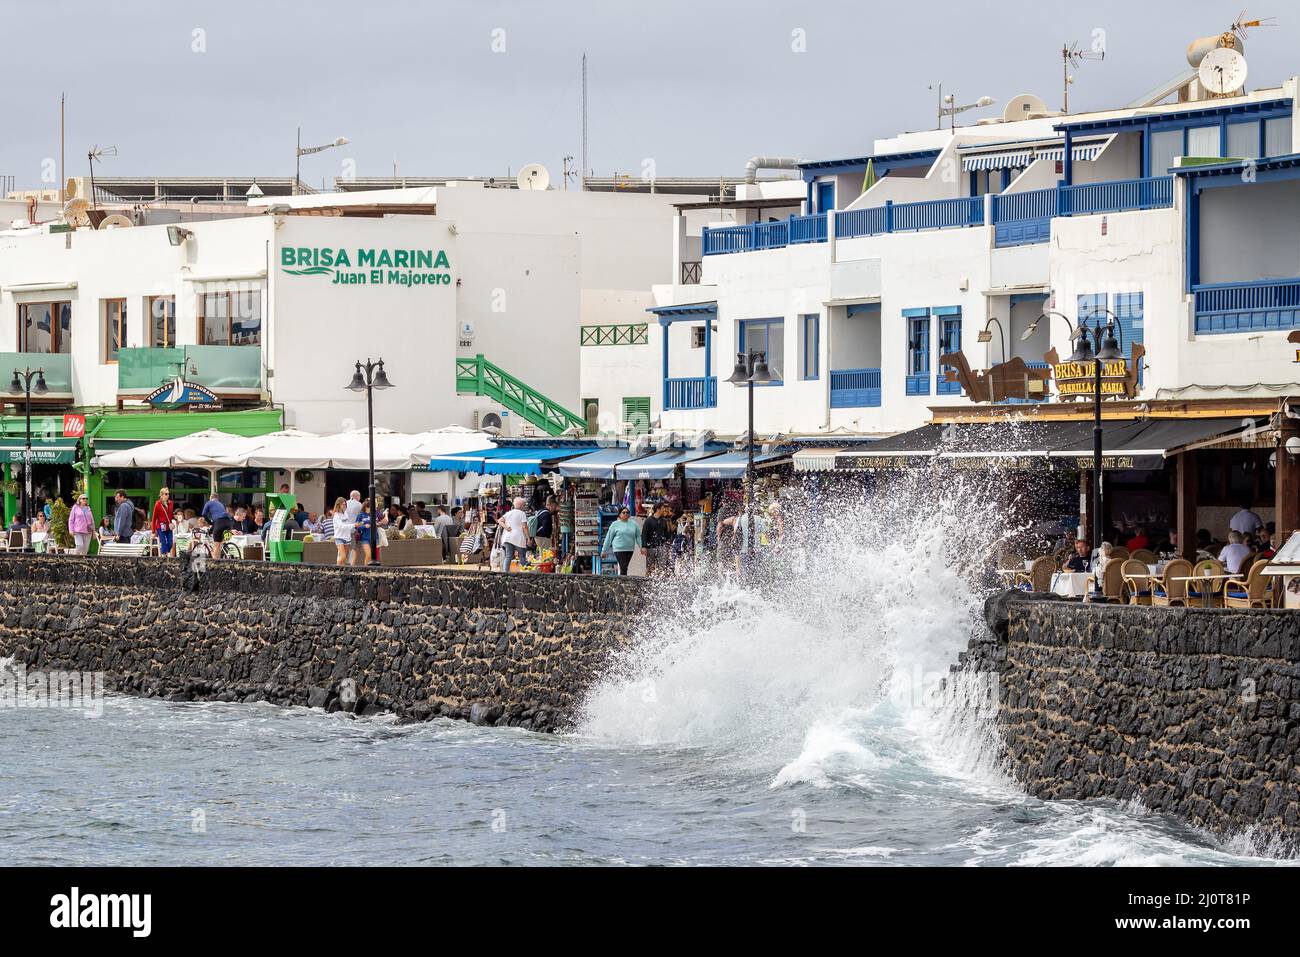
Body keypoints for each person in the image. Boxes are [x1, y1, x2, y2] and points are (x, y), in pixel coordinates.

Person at [601, 506, 641, 576]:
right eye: (624, 512)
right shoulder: (615, 524)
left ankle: (622, 582)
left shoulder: (634, 524)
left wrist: (641, 547)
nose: (626, 514)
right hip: (619, 549)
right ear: (619, 514)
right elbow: (609, 538)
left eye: (627, 512)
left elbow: (638, 536)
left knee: (625, 567)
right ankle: (623, 583)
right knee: (623, 567)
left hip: (630, 549)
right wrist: (604, 550)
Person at [499, 497, 531, 573]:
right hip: (518, 538)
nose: (524, 507)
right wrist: (528, 539)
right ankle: (526, 571)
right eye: (523, 505)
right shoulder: (522, 514)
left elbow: (500, 520)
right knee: (522, 556)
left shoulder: (509, 513)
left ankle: (505, 572)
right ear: (521, 506)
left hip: (508, 537)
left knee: (508, 556)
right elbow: (524, 527)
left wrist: (506, 527)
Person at [640, 502, 673, 576]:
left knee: (662, 567)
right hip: (650, 547)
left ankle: (659, 582)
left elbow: (666, 534)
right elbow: (644, 534)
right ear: (658, 509)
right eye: (662, 508)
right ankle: (647, 581)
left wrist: (668, 545)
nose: (664, 510)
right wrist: (644, 546)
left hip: (661, 546)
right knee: (649, 566)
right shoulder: (648, 520)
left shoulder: (664, 521)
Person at [151, 486, 176, 556]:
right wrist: (153, 531)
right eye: (166, 494)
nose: (168, 495)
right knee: (163, 542)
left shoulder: (171, 503)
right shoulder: (158, 504)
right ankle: (163, 556)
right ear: (161, 495)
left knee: (170, 543)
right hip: (160, 526)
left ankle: (165, 552)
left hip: (168, 526)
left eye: (168, 494)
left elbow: (170, 515)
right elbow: (154, 518)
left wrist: (175, 517)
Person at [329, 498, 350, 566]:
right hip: (339, 537)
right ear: (338, 505)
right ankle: (335, 569)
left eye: (345, 504)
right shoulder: (336, 515)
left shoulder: (346, 514)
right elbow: (342, 526)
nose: (344, 506)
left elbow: (347, 524)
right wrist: (354, 525)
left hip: (347, 537)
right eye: (343, 504)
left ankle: (340, 572)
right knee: (343, 556)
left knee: (343, 558)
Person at [354, 500, 374, 565]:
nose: (369, 509)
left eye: (371, 507)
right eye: (368, 507)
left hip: (374, 538)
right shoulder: (360, 515)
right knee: (369, 555)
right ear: (365, 507)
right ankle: (366, 569)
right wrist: (364, 526)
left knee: (374, 557)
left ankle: (370, 569)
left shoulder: (374, 515)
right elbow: (356, 527)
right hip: (365, 538)